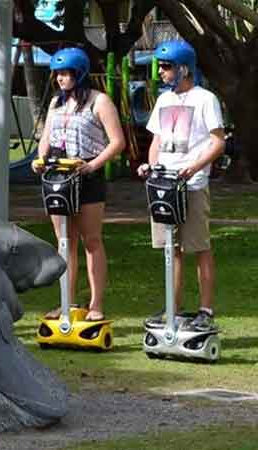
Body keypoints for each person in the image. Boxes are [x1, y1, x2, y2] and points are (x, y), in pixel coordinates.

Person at [138, 40, 225, 331]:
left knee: (199, 246)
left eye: (166, 67)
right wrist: (151, 166)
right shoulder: (164, 101)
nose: (161, 72)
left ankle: (206, 310)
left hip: (193, 184)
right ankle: (172, 308)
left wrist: (196, 167)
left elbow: (218, 142)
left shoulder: (205, 99)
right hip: (164, 183)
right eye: (160, 66)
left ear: (184, 68)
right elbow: (157, 141)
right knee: (169, 249)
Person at [32, 47, 124, 322]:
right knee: (64, 242)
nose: (60, 79)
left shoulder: (99, 101)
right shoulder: (55, 104)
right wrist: (40, 159)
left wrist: (93, 165)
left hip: (87, 174)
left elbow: (117, 142)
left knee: (91, 240)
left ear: (79, 73)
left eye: (66, 73)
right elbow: (46, 138)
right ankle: (66, 302)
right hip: (59, 175)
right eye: (57, 74)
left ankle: (95, 304)